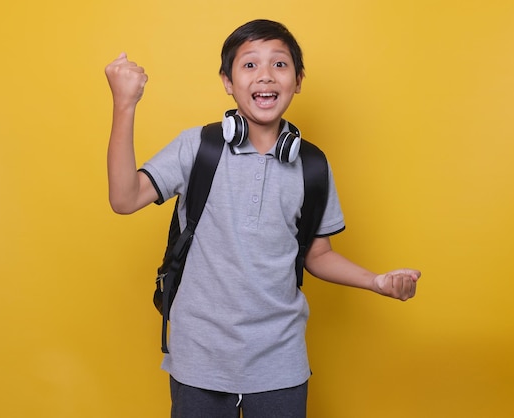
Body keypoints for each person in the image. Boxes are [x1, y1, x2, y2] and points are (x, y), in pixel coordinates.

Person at [105, 19, 421, 418]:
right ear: (227, 80)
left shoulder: (312, 166)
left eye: (280, 64)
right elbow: (124, 198)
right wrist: (124, 105)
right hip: (199, 357)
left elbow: (318, 254)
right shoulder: (197, 148)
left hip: (280, 361)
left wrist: (376, 282)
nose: (265, 75)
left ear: (299, 79)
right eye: (249, 65)